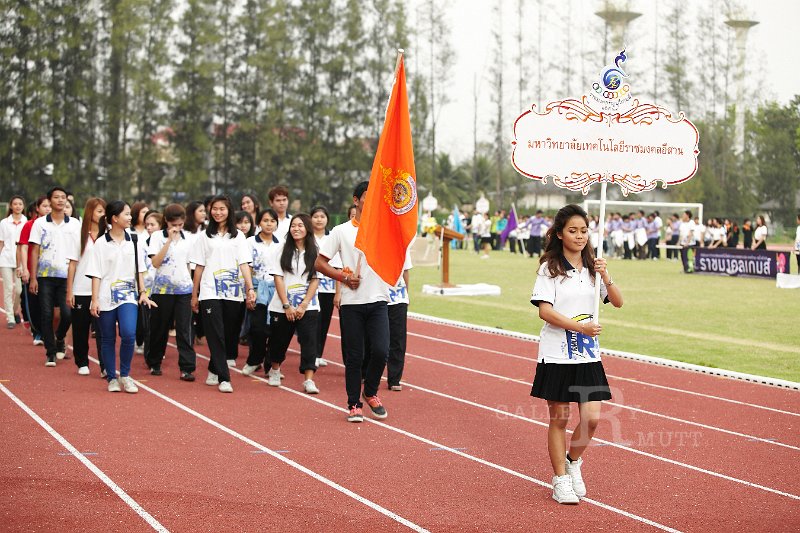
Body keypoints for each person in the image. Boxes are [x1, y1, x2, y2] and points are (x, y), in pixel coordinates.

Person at [529, 204, 623, 505]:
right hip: (557, 353)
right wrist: (579, 328)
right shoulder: (550, 269)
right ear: (559, 234)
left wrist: (606, 275)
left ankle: (573, 461)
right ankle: (559, 480)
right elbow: (545, 311)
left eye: (584, 230)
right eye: (573, 230)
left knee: (593, 419)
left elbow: (618, 302)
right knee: (559, 419)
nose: (580, 236)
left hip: (587, 356)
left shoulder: (594, 267)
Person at [315, 181, 391, 423]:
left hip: (378, 299)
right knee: (355, 356)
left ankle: (370, 391)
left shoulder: (382, 230)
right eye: (368, 197)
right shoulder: (341, 231)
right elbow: (320, 262)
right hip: (352, 303)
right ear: (356, 200)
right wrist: (344, 277)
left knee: (381, 351)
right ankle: (354, 403)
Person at [87, 201, 157, 393]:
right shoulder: (100, 244)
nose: (130, 217)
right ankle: (111, 377)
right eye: (126, 214)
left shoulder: (135, 240)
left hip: (128, 296)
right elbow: (96, 273)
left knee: (128, 334)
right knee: (107, 338)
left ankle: (125, 375)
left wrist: (143, 292)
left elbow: (140, 269)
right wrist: (94, 299)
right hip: (105, 297)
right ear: (114, 218)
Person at [189, 195, 256, 393]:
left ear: (229, 211)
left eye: (222, 209)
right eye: (215, 209)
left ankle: (213, 367)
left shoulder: (238, 236)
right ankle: (224, 377)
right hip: (210, 291)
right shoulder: (204, 236)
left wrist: (249, 288)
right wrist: (195, 294)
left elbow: (244, 264)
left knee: (227, 334)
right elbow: (199, 267)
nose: (218, 212)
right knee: (215, 332)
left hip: (233, 292)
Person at [266, 214, 321, 394]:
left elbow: (315, 279)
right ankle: (275, 369)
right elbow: (278, 278)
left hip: (308, 306)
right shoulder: (281, 249)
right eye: (293, 226)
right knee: (279, 341)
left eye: (300, 225)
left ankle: (309, 380)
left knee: (309, 342)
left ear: (307, 229)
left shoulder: (316, 250)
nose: (296, 229)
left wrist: (304, 304)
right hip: (282, 306)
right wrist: (286, 305)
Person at [29, 187, 82, 366]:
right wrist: (34, 277)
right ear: (49, 200)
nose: (60, 200)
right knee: (46, 313)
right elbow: (35, 251)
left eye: (63, 198)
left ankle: (60, 338)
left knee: (67, 314)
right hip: (45, 276)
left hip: (67, 275)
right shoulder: (40, 224)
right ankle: (50, 352)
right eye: (57, 197)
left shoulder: (75, 224)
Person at [146, 204, 197, 381]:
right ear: (166, 221)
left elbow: (192, 265)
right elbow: (155, 263)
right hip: (162, 290)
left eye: (180, 225)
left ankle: (187, 368)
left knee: (184, 329)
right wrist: (168, 241)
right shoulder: (156, 237)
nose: (176, 228)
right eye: (173, 224)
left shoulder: (189, 239)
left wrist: (194, 291)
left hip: (183, 289)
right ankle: (154, 362)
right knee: (160, 328)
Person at [66, 197, 106, 376]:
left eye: (104, 211)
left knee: (104, 331)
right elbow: (73, 265)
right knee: (81, 328)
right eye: (99, 211)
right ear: (90, 212)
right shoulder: (79, 234)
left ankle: (106, 365)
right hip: (81, 289)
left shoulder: (109, 235)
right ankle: (82, 361)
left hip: (103, 290)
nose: (102, 215)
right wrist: (70, 291)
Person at [241, 208, 280, 376]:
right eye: (265, 221)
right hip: (257, 289)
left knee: (275, 330)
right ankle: (254, 359)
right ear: (259, 223)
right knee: (257, 328)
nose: (269, 224)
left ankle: (271, 365)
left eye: (272, 221)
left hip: (276, 290)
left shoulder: (282, 244)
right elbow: (247, 267)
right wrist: (249, 290)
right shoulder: (250, 242)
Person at [16, 197, 50, 345]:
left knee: (49, 305)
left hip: (51, 272)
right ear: (37, 208)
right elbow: (23, 247)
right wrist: (24, 268)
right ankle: (38, 332)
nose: (48, 208)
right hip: (34, 270)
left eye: (50, 206)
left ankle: (50, 334)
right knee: (35, 303)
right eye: (45, 206)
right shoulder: (30, 225)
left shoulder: (56, 226)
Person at [310, 206, 340, 368]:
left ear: (327, 219)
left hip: (328, 288)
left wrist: (337, 292)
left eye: (322, 216)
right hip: (311, 287)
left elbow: (337, 267)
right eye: (316, 216)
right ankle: (312, 352)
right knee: (314, 320)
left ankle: (318, 353)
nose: (319, 219)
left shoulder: (332, 237)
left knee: (325, 321)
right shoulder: (307, 237)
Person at [0, 195, 27, 328]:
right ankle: (10, 317)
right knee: (8, 288)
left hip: (20, 261)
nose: (17, 206)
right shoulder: (4, 223)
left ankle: (16, 310)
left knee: (19, 290)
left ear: (23, 206)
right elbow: (1, 242)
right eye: (15, 204)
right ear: (11, 206)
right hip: (5, 258)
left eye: (20, 204)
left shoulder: (26, 222)